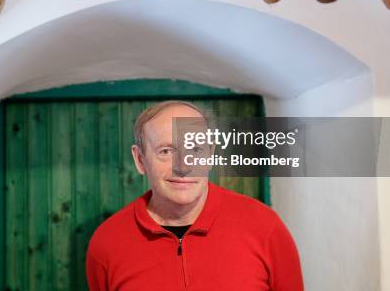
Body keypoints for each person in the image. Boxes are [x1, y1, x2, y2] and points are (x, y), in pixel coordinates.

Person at [85, 100, 304, 291]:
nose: (183, 166)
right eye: (166, 151)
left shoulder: (264, 226)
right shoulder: (106, 242)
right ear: (140, 159)